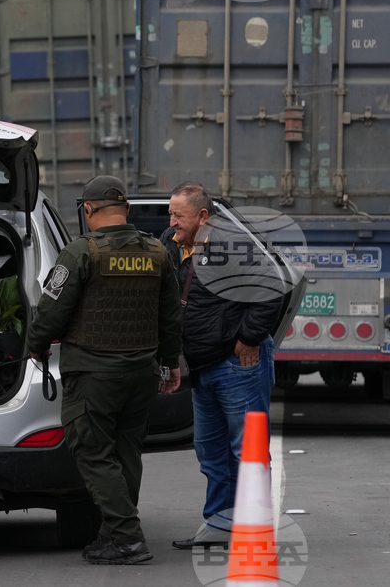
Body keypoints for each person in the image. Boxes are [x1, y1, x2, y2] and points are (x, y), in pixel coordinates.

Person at [26, 175, 182, 565]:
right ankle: (113, 534)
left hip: (94, 374)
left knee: (93, 451)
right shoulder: (157, 252)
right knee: (126, 451)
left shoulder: (82, 252)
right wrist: (169, 363)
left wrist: (34, 346)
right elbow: (170, 316)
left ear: (89, 210)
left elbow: (51, 312)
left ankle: (128, 538)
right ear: (126, 209)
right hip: (142, 371)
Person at [162, 182, 282, 549]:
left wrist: (248, 339)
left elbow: (271, 288)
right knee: (211, 452)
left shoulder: (232, 244)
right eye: (170, 213)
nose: (171, 221)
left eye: (177, 215)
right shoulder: (173, 243)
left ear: (202, 216)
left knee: (246, 451)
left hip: (236, 366)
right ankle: (219, 525)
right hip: (203, 368)